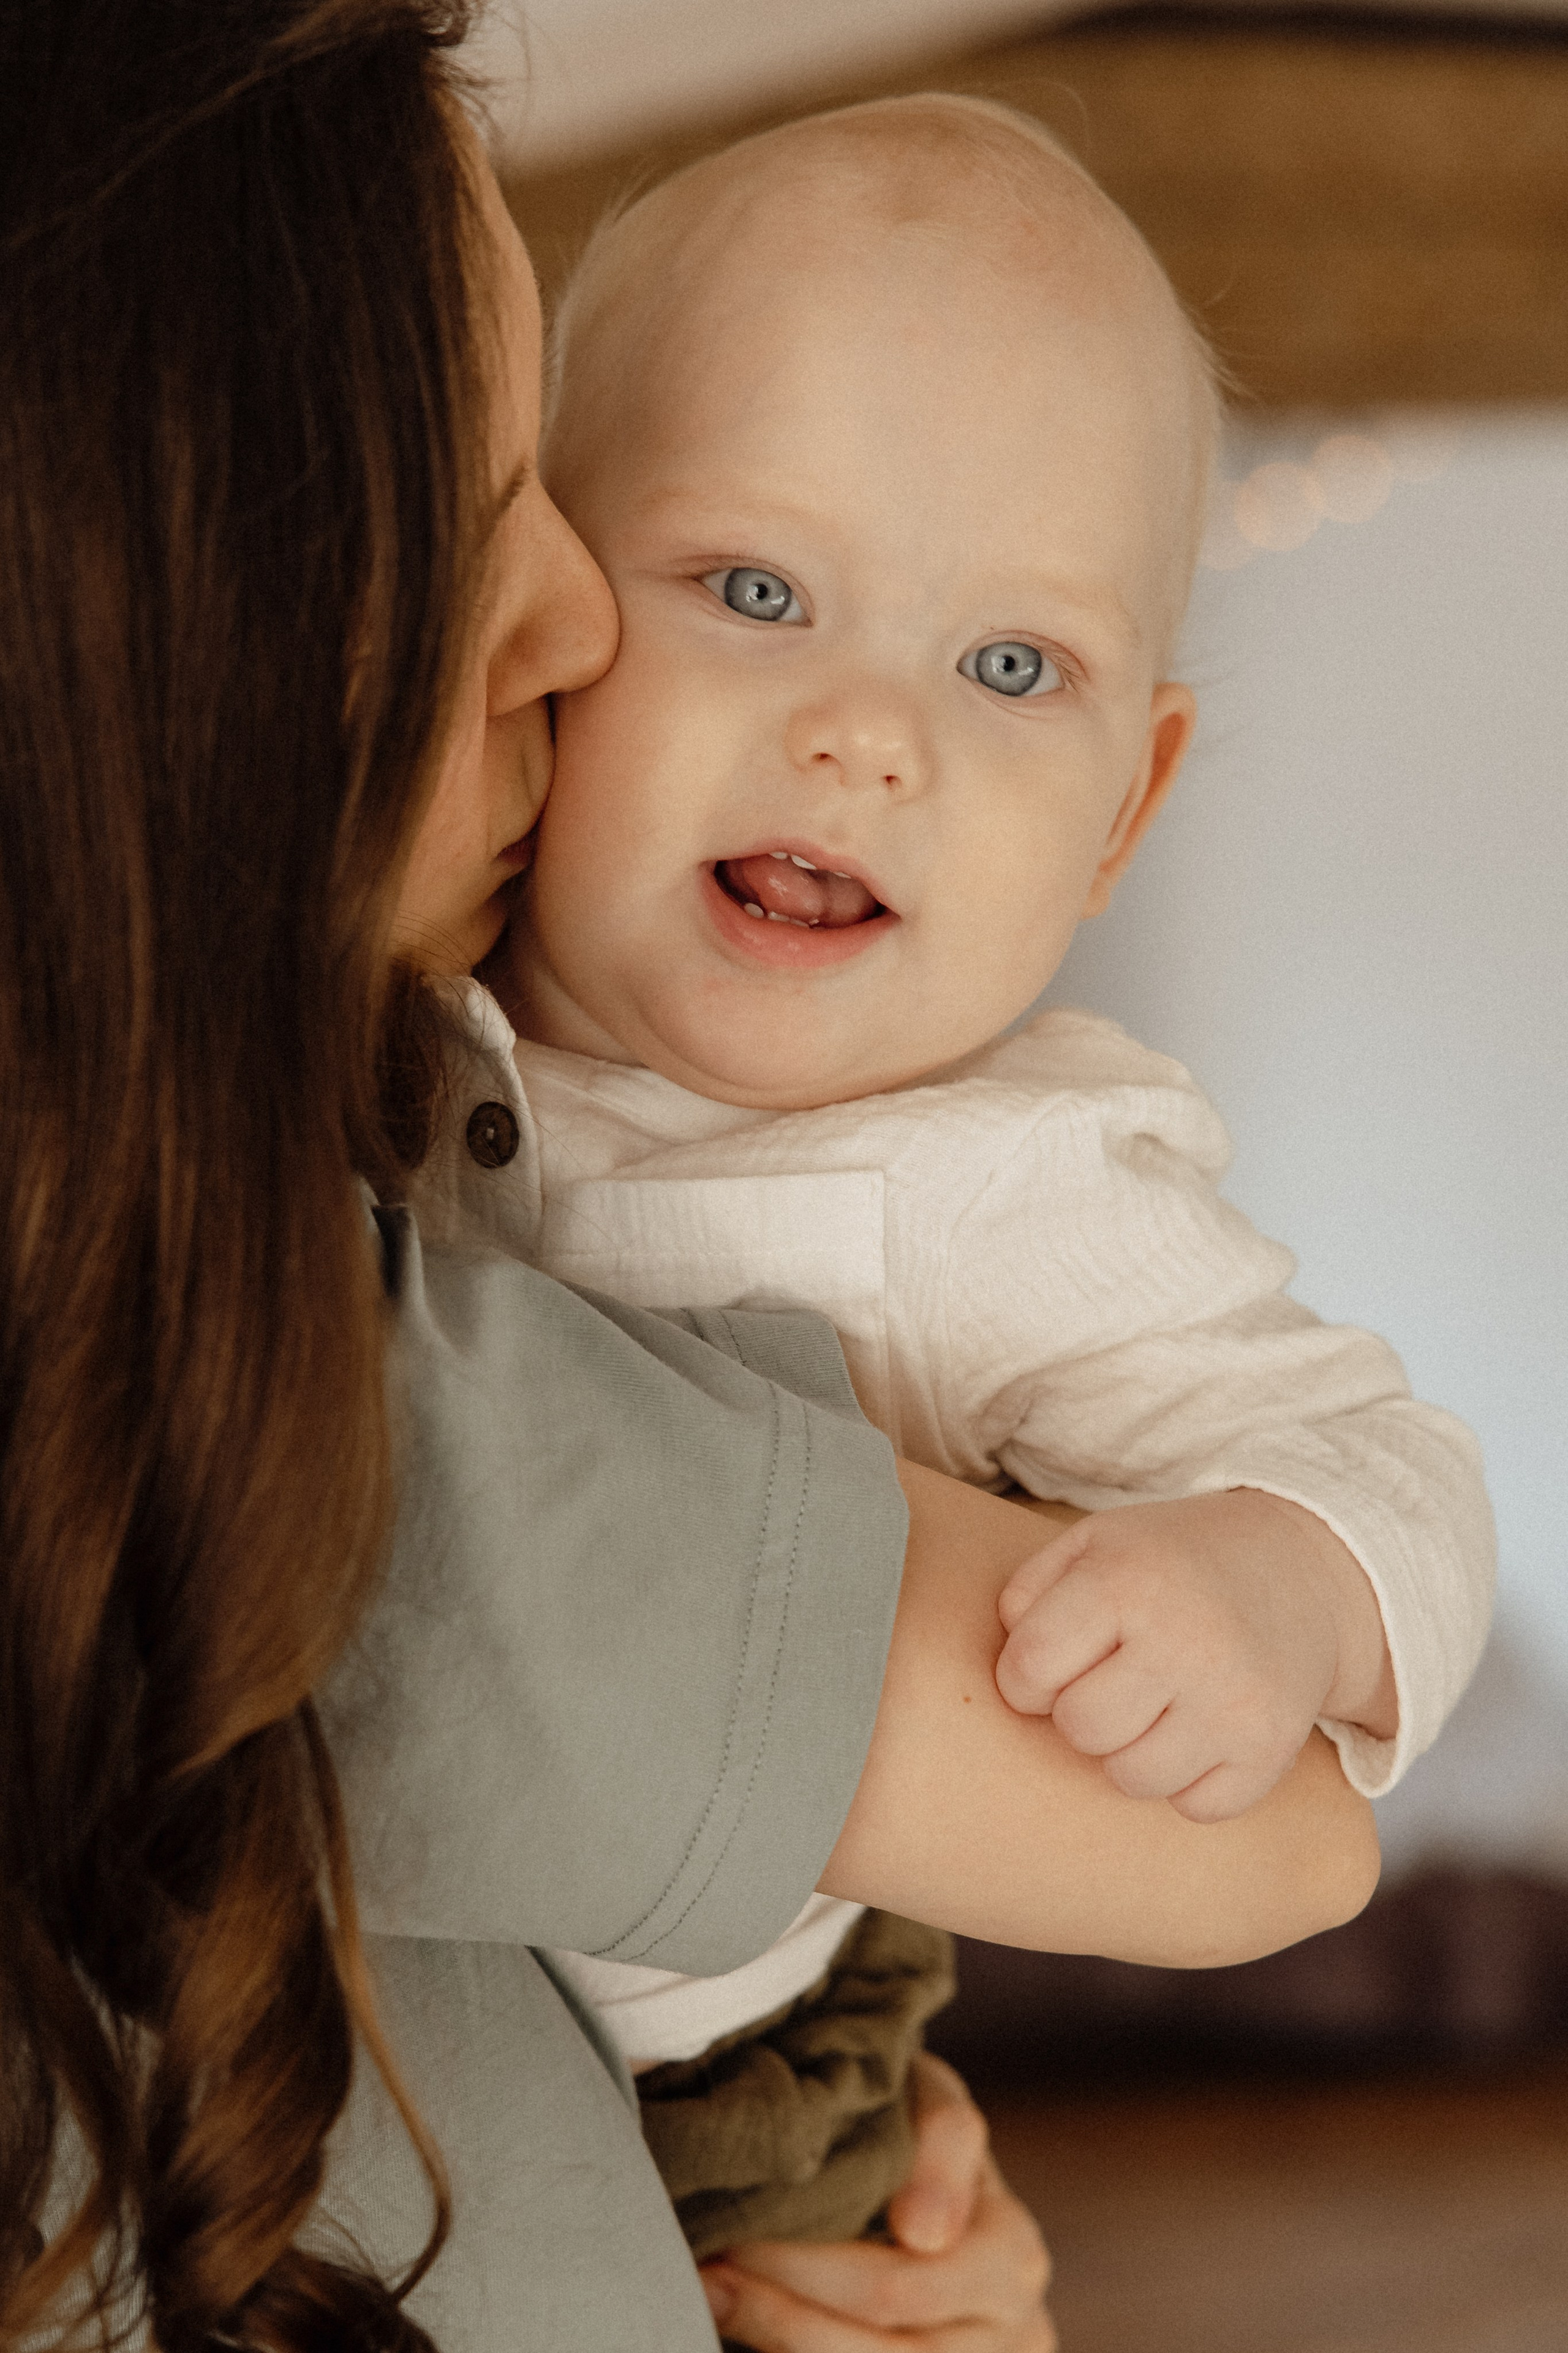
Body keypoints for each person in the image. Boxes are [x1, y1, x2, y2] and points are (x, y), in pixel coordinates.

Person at [0, 10, 1380, 2352]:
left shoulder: (990, 1173)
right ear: (192, 634)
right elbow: (1289, 1833)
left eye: (1007, 661)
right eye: (485, 503)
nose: (575, 622)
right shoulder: (306, 1375)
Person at [453, 94, 1495, 2256]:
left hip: (710, 2110)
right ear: (544, 605)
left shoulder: (1012, 1180)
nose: (871, 734)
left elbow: (1386, 1467)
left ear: (1126, 808)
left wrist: (1266, 1584)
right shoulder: (393, 996)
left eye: (1010, 665)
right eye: (756, 589)